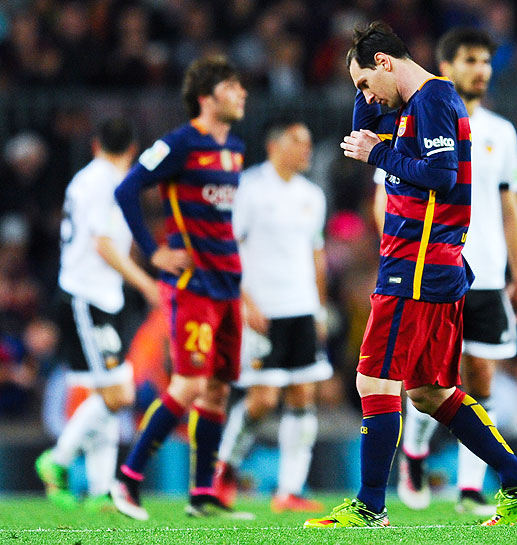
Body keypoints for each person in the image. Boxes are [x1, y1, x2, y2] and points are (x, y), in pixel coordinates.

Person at [305, 21, 517, 529]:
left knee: (373, 377)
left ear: (387, 64)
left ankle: (371, 506)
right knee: (428, 391)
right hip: (431, 262)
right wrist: (366, 102)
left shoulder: (434, 101)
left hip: (416, 264)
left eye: (366, 84)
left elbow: (441, 176)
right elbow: (361, 134)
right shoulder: (414, 104)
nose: (365, 96)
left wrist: (379, 154)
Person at [387, 27, 517, 516]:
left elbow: (510, 205)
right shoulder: (411, 122)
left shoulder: (501, 131)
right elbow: (383, 198)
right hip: (432, 268)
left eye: (486, 61)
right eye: (470, 60)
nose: (481, 70)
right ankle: (414, 454)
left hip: (488, 272)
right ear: (445, 66)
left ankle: (470, 488)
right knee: (430, 381)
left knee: (482, 380)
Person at [110, 55, 249, 521]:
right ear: (208, 98)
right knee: (189, 384)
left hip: (228, 283)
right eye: (233, 87)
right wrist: (153, 251)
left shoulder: (235, 148)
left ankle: (202, 495)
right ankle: (127, 479)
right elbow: (127, 189)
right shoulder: (178, 144)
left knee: (217, 391)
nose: (243, 93)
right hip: (192, 286)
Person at [35, 118, 159, 512]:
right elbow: (103, 244)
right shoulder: (105, 183)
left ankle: (103, 488)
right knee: (118, 392)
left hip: (96, 296)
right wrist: (145, 283)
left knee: (106, 394)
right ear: (133, 148)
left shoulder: (88, 180)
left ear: (94, 145)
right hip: (86, 298)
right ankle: (56, 461)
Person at [212, 119, 331, 513]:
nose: (307, 150)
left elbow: (316, 254)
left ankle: (289, 490)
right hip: (264, 309)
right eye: (299, 141)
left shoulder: (312, 195)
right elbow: (229, 248)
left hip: (301, 307)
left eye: (309, 143)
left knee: (303, 394)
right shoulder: (249, 189)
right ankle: (224, 469)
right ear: (275, 145)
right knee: (262, 399)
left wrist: (318, 306)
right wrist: (246, 302)